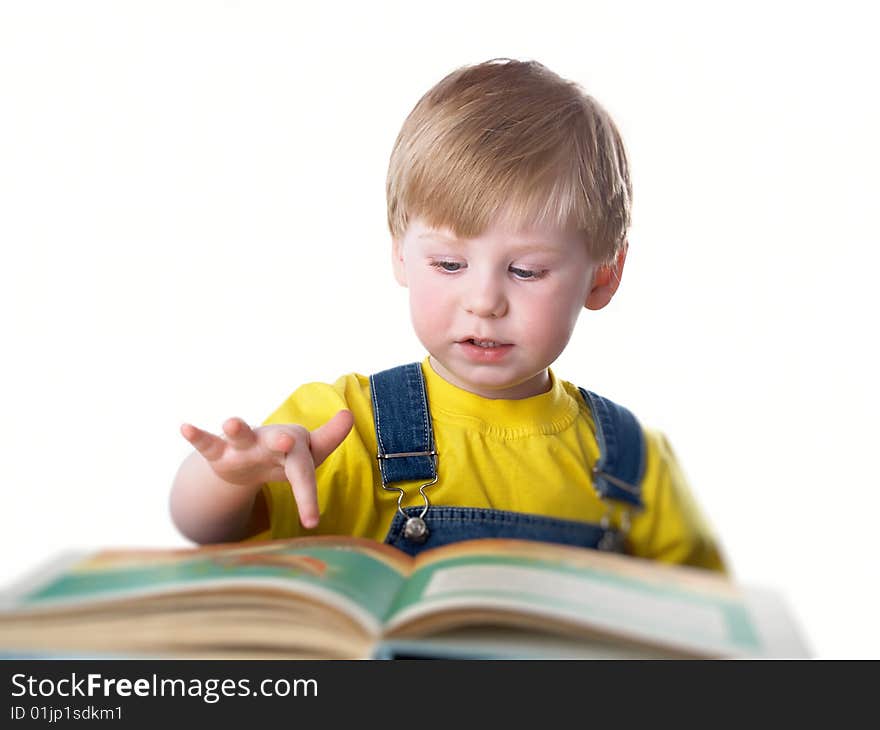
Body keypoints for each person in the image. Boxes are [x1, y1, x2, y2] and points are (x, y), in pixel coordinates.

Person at [169, 59, 726, 571]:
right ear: (400, 255)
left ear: (603, 277)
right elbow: (205, 529)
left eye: (527, 271)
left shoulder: (634, 461)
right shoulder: (342, 424)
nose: (484, 301)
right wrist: (230, 479)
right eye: (450, 263)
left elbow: (707, 625)